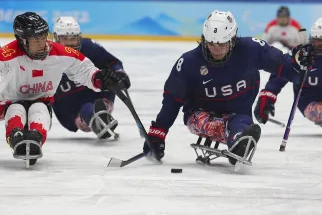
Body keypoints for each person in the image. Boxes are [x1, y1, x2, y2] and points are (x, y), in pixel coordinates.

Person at [142, 10, 315, 166]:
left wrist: (298, 62)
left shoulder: (251, 49)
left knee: (242, 126)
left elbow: (283, 66)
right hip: (198, 114)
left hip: (238, 114)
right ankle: (238, 140)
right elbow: (173, 99)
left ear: (232, 39)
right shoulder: (188, 62)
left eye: (222, 44)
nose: (216, 49)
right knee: (225, 125)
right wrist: (158, 132)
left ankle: (240, 141)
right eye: (211, 43)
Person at [0, 12, 130, 166]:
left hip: (45, 100)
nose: (42, 44)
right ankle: (15, 136)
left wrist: (98, 78)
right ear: (22, 40)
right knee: (15, 109)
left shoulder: (59, 52)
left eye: (43, 37)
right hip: (13, 101)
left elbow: (83, 68)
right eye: (36, 40)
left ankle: (36, 138)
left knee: (40, 109)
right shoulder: (6, 57)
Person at [52, 16, 127, 139]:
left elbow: (112, 62)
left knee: (91, 108)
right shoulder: (46, 58)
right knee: (86, 111)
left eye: (73, 38)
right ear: (56, 38)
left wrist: (120, 74)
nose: (70, 43)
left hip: (98, 95)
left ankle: (99, 117)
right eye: (65, 38)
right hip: (69, 107)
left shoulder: (88, 47)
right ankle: (97, 119)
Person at [255, 18, 322, 126]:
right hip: (309, 101)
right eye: (316, 40)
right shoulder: (301, 55)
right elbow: (281, 71)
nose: (319, 45)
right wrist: (267, 96)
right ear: (311, 39)